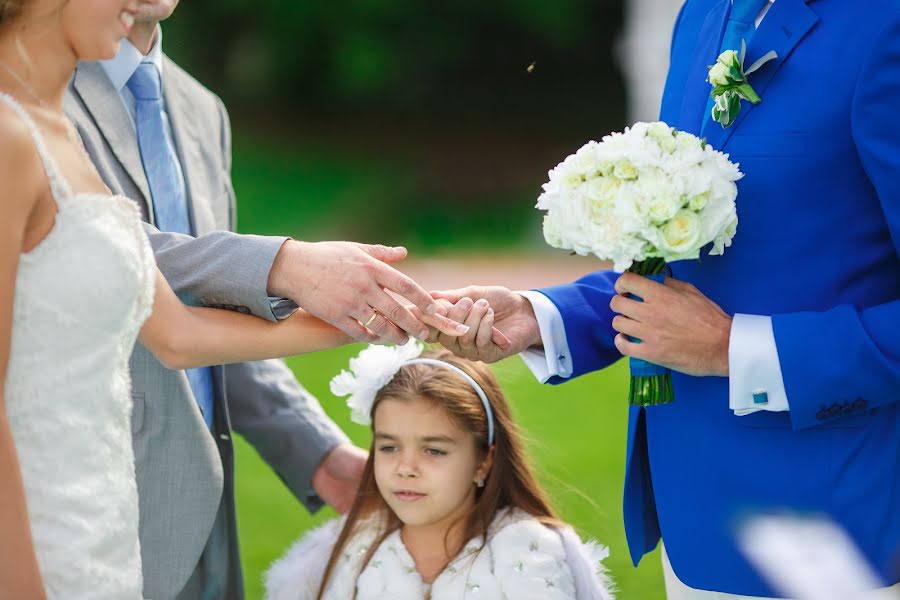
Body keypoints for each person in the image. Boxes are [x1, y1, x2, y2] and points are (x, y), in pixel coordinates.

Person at [430, 1, 900, 598]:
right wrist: (540, 317)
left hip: (833, 526)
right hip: (688, 516)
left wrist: (735, 349)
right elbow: (688, 251)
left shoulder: (886, 28)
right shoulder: (701, 15)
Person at [0, 1, 468, 597]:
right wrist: (282, 265)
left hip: (140, 525)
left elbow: (179, 331)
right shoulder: (23, 115)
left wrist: (375, 315)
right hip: (43, 519)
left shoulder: (184, 113)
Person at [264, 342, 615, 600]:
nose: (405, 468)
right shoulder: (354, 548)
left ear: (484, 460)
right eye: (389, 447)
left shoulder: (526, 552)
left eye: (433, 450)